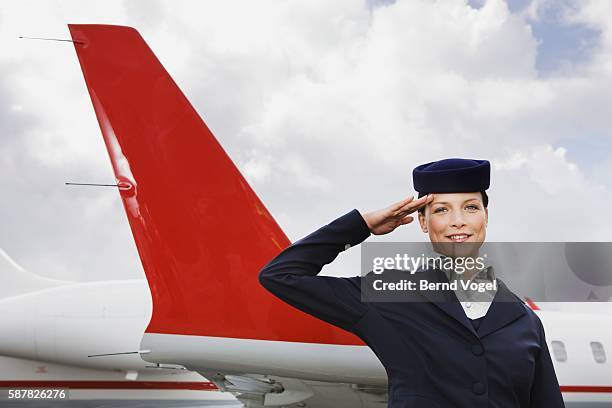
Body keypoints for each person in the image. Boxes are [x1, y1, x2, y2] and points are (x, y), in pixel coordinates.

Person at [258, 158, 565, 408]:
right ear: (422, 222)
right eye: (441, 210)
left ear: (485, 216)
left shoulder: (524, 320)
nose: (458, 220)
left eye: (470, 207)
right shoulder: (389, 297)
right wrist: (361, 225)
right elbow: (282, 275)